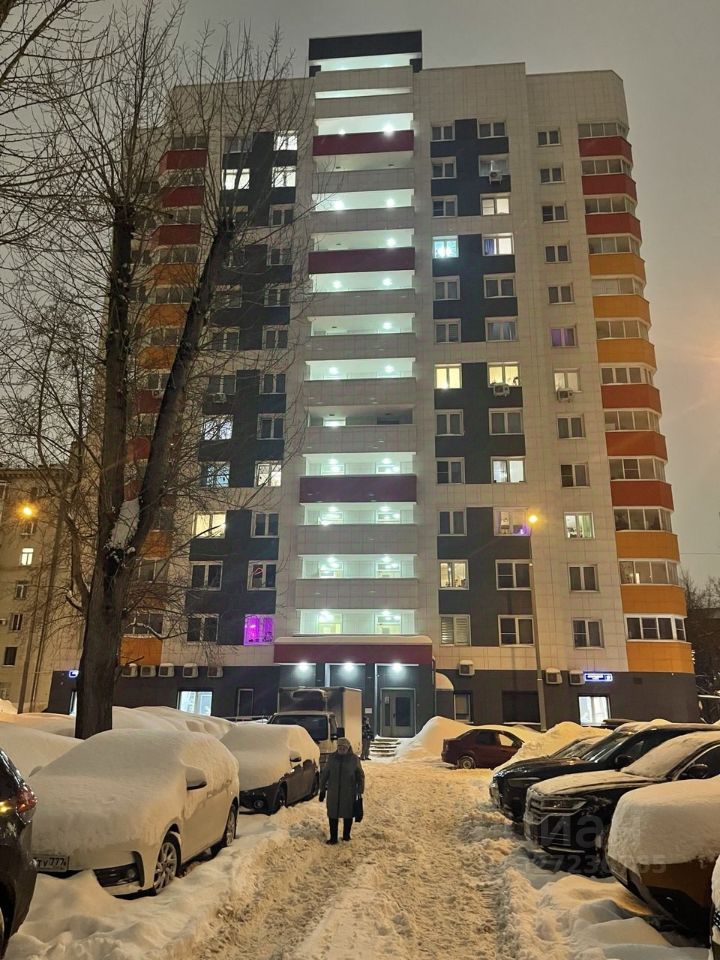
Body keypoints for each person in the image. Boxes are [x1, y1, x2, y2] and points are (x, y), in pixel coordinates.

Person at [318, 737, 364, 844]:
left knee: (348, 814)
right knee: (332, 814)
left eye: (344, 748)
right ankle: (333, 838)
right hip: (333, 792)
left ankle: (346, 836)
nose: (341, 750)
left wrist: (360, 790)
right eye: (339, 747)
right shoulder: (332, 758)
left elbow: (360, 775)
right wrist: (322, 790)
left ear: (348, 748)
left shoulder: (354, 759)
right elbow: (325, 774)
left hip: (348, 792)